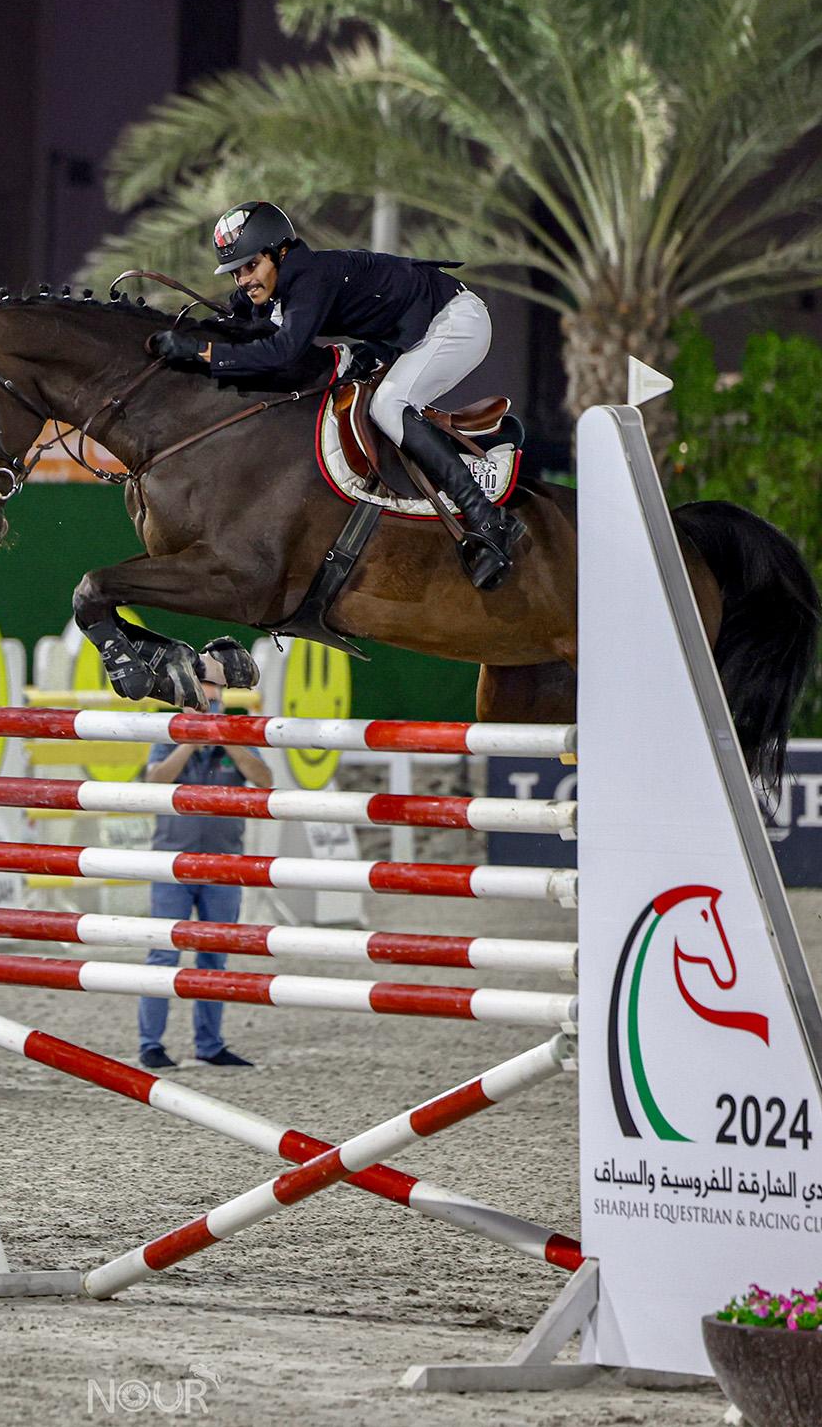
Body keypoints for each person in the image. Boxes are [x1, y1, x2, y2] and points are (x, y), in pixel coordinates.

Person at [151, 200, 527, 590]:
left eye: (251, 266)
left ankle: (487, 519)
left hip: (456, 321)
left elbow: (282, 352)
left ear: (280, 253)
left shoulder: (310, 277)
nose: (244, 280)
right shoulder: (269, 286)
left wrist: (203, 353)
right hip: (407, 332)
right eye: (236, 272)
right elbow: (232, 329)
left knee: (389, 405)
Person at [137, 656, 272, 1069]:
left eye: (213, 701)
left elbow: (264, 780)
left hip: (224, 865)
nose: (207, 707)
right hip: (172, 864)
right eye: (200, 701)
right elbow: (154, 781)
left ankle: (210, 1045)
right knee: (164, 954)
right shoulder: (167, 733)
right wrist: (189, 742)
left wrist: (227, 738)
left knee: (215, 957)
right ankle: (150, 1044)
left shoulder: (238, 733)